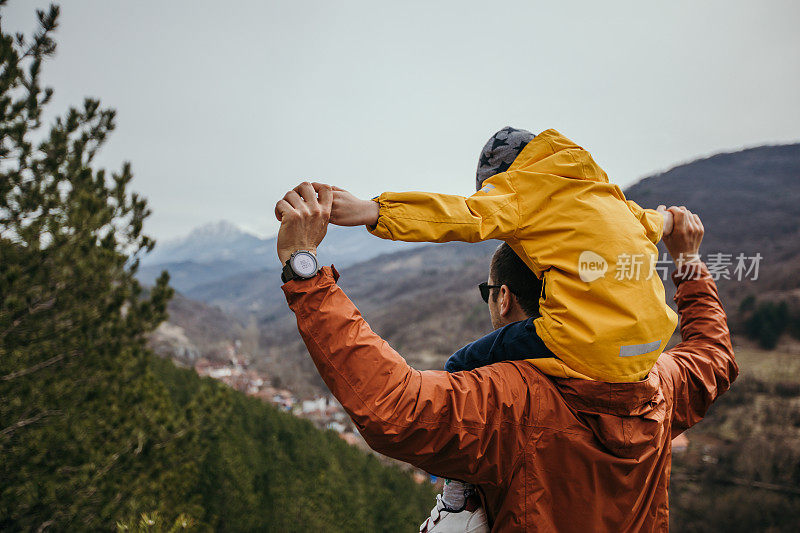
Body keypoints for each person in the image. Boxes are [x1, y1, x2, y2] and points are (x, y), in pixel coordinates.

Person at [275, 181, 737, 531]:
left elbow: (395, 405)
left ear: (502, 299)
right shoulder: (659, 386)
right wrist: (689, 262)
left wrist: (304, 268)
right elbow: (713, 353)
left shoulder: (512, 402)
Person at [321, 127, 680, 524]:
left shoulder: (527, 192)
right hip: (645, 349)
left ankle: (458, 491)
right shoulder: (607, 197)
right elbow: (653, 223)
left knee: (461, 365)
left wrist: (374, 211)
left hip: (583, 344)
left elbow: (463, 215)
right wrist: (672, 220)